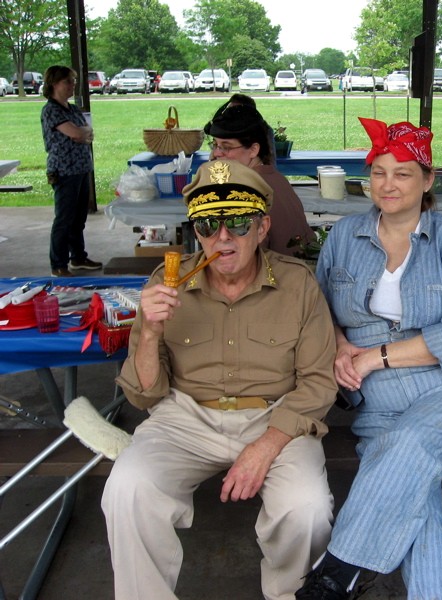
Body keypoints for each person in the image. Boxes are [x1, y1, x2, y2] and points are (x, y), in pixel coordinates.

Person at [101, 159, 338, 600]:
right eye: (208, 225)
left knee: (306, 509)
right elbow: (145, 394)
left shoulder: (298, 285)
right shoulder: (166, 283)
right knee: (127, 489)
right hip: (185, 417)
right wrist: (148, 331)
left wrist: (265, 446)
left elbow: (319, 382)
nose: (222, 237)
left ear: (263, 227)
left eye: (238, 223)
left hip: (275, 418)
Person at [295, 118, 442, 599]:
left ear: (428, 180)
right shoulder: (345, 236)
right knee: (415, 497)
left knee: (408, 444)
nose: (387, 184)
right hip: (381, 400)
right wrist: (340, 343)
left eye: (403, 173)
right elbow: (317, 308)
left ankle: (338, 570)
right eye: (379, 172)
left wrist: (372, 357)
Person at [203, 102, 315, 256]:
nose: (216, 153)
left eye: (226, 147)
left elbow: (245, 259)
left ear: (253, 150)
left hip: (275, 269)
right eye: (215, 145)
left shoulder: (246, 192)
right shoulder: (276, 178)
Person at [40, 65, 102, 277]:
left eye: (73, 81)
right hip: (64, 170)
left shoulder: (73, 109)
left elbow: (88, 132)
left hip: (81, 168)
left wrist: (82, 133)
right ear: (54, 83)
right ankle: (58, 264)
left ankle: (78, 257)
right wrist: (80, 133)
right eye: (68, 81)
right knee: (64, 219)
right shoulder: (51, 110)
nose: (72, 85)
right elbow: (77, 133)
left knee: (78, 218)